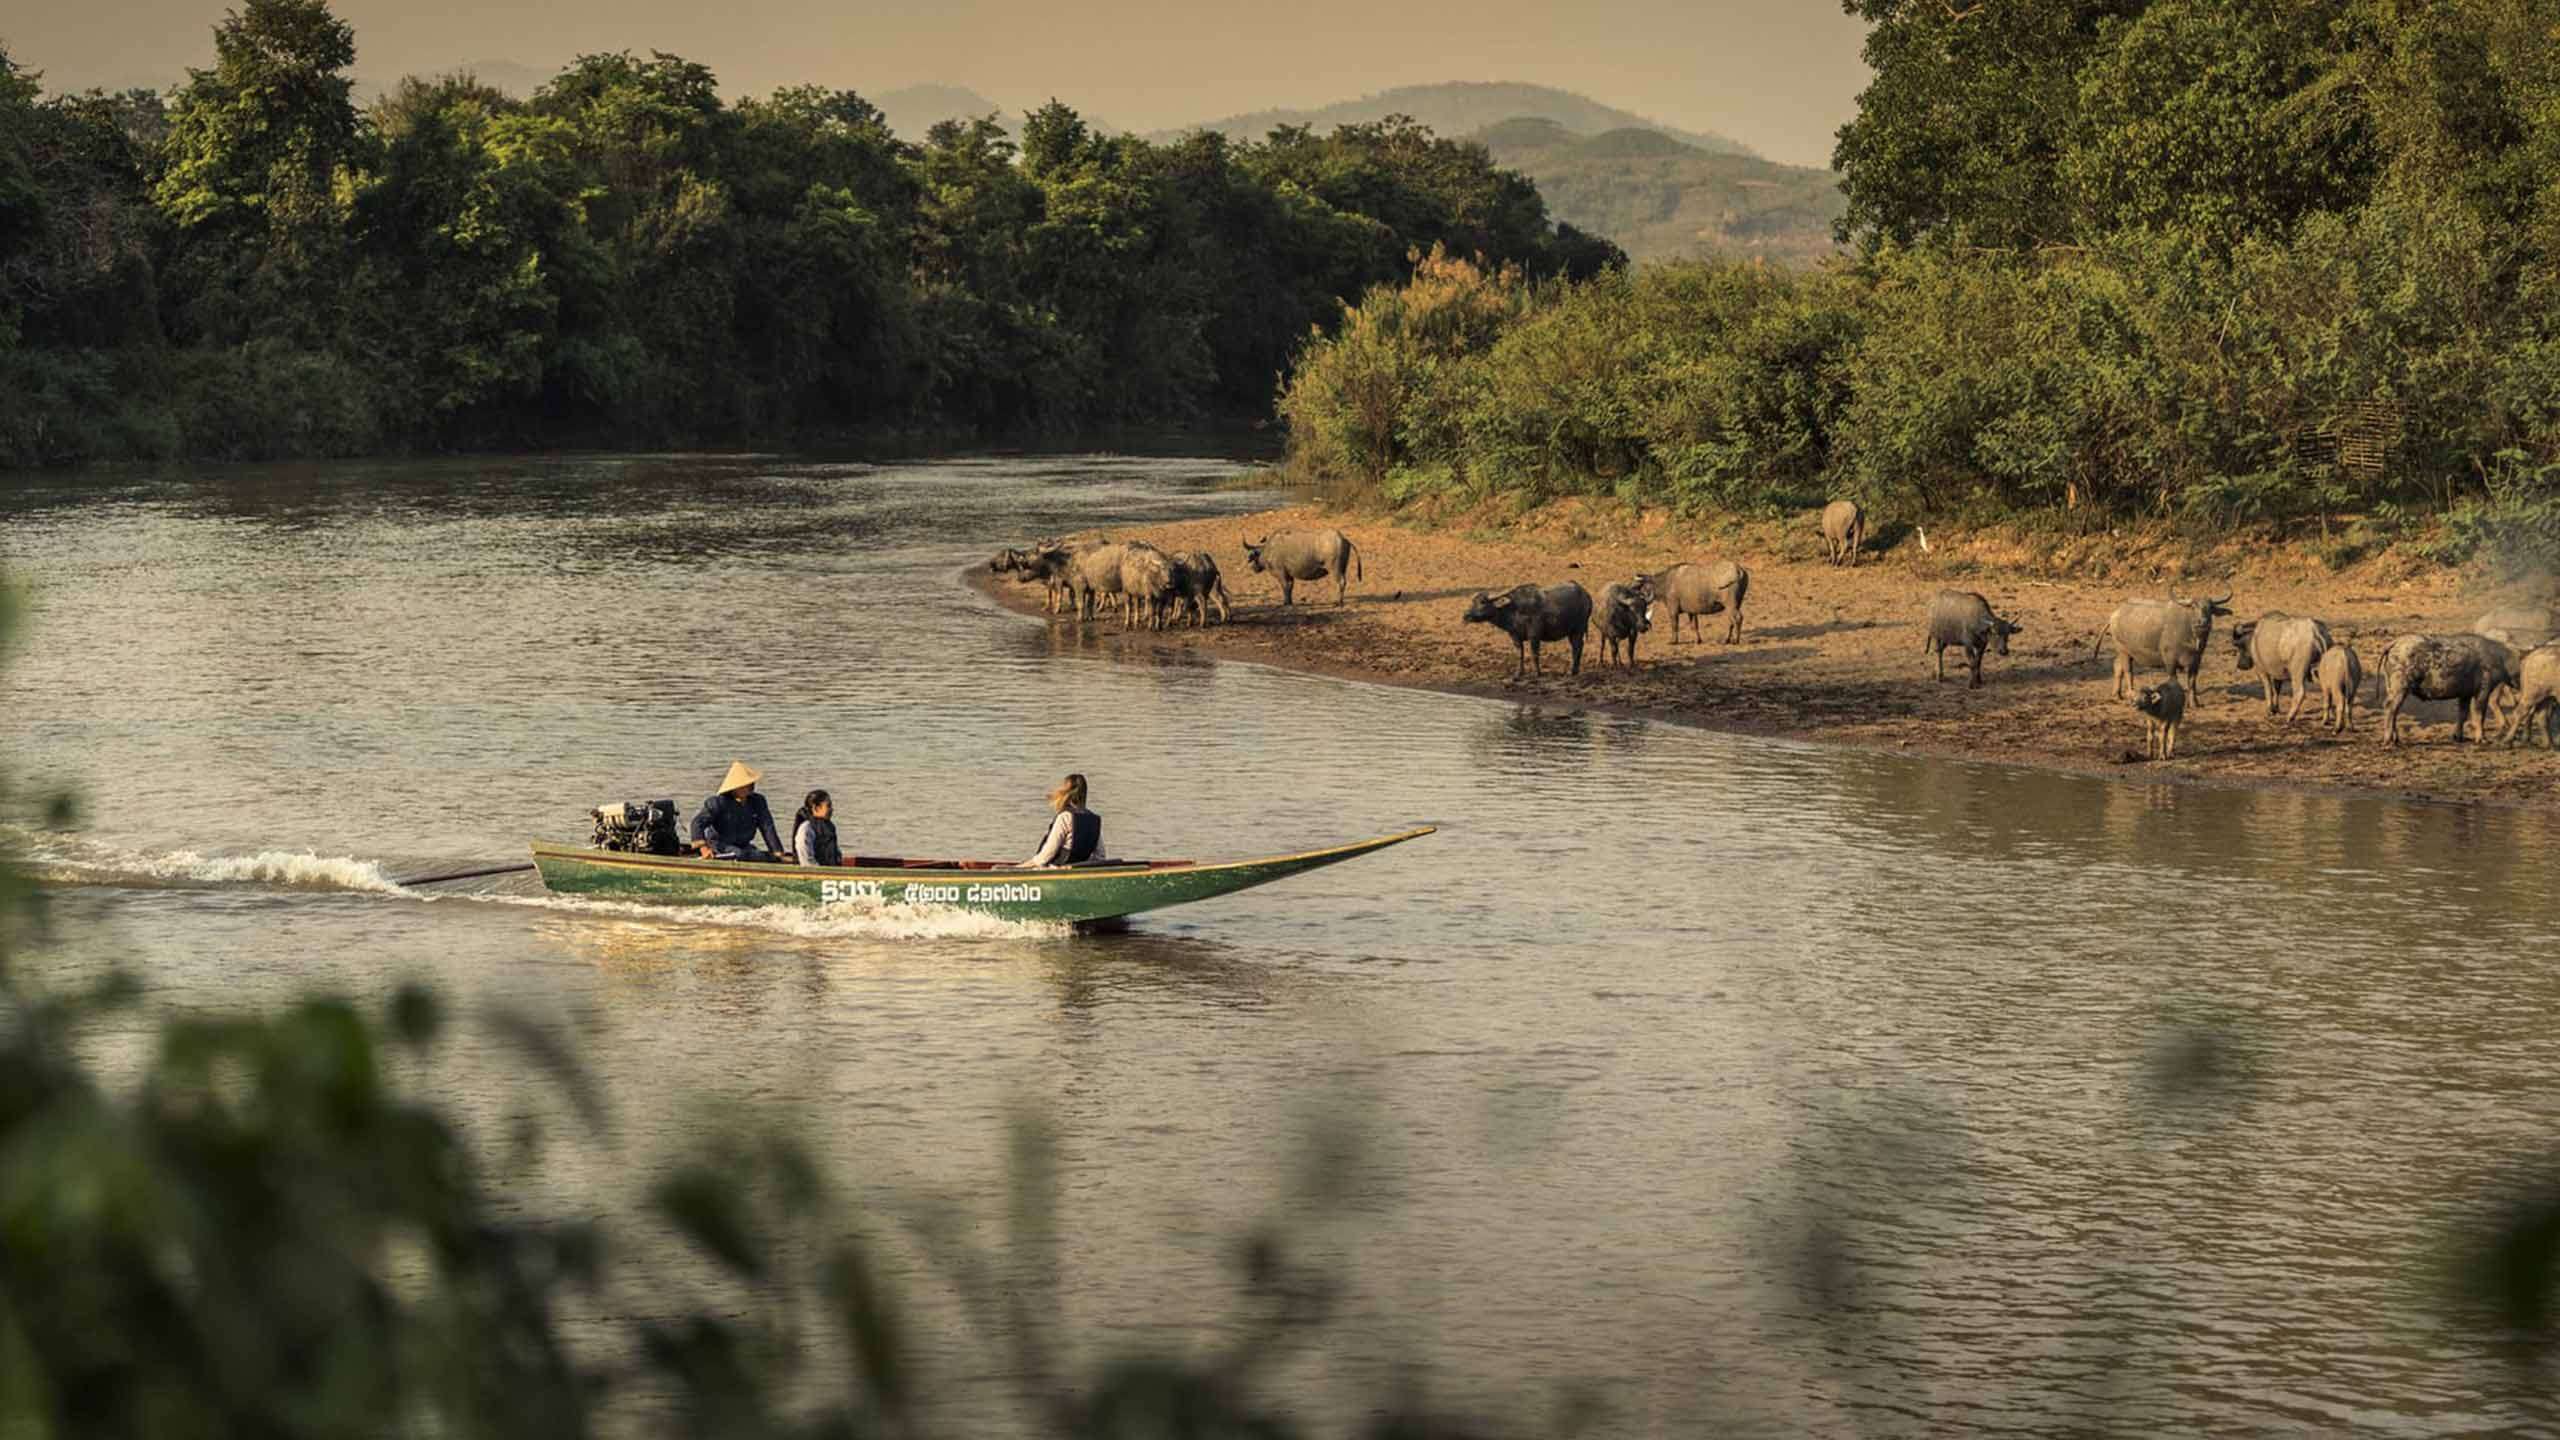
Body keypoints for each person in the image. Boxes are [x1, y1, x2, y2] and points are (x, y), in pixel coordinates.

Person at [691, 760, 784, 861]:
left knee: (761, 856)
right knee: (738, 854)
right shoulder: (718, 803)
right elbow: (697, 823)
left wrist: (776, 851)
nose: (746, 788)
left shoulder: (757, 801)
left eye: (748, 785)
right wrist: (704, 848)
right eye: (742, 786)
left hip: (744, 845)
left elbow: (767, 826)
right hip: (720, 845)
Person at [1022, 772, 1104, 867]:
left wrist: (1018, 868)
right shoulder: (1094, 819)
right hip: (1079, 869)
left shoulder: (1065, 817)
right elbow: (1100, 856)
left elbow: (1045, 856)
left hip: (1056, 869)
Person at [791, 789, 843, 868]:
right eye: (828, 806)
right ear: (816, 808)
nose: (832, 809)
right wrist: (822, 873)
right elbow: (806, 860)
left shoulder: (830, 827)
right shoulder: (806, 828)